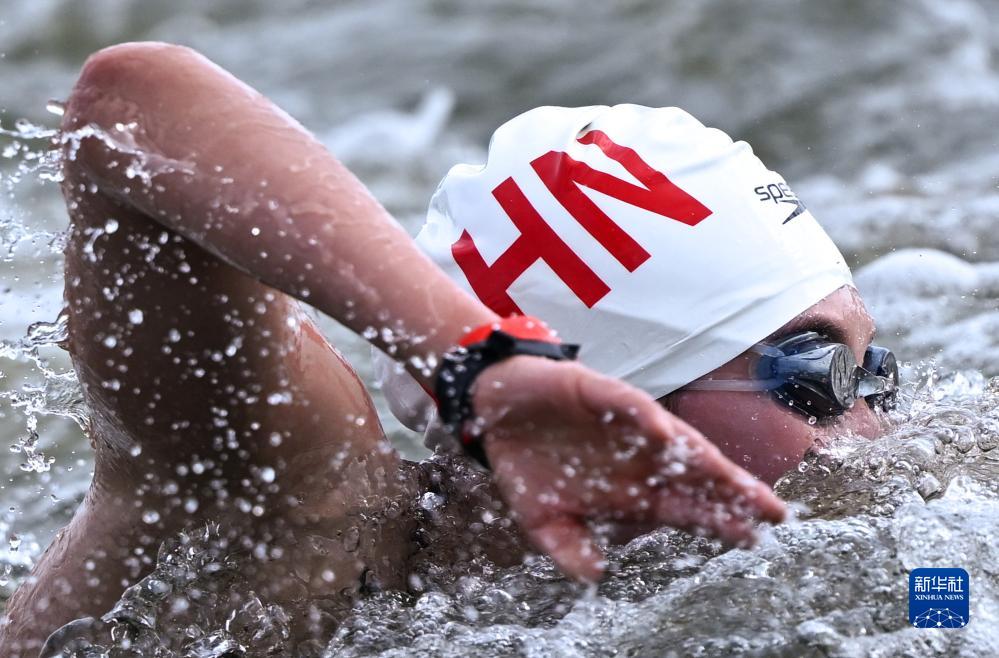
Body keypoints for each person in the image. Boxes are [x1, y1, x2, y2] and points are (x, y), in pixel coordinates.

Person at [0, 42, 892, 656]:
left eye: (874, 376)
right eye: (815, 378)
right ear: (615, 399)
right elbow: (130, 100)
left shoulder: (861, 527)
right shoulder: (300, 509)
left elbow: (947, 601)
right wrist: (480, 360)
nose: (868, 429)